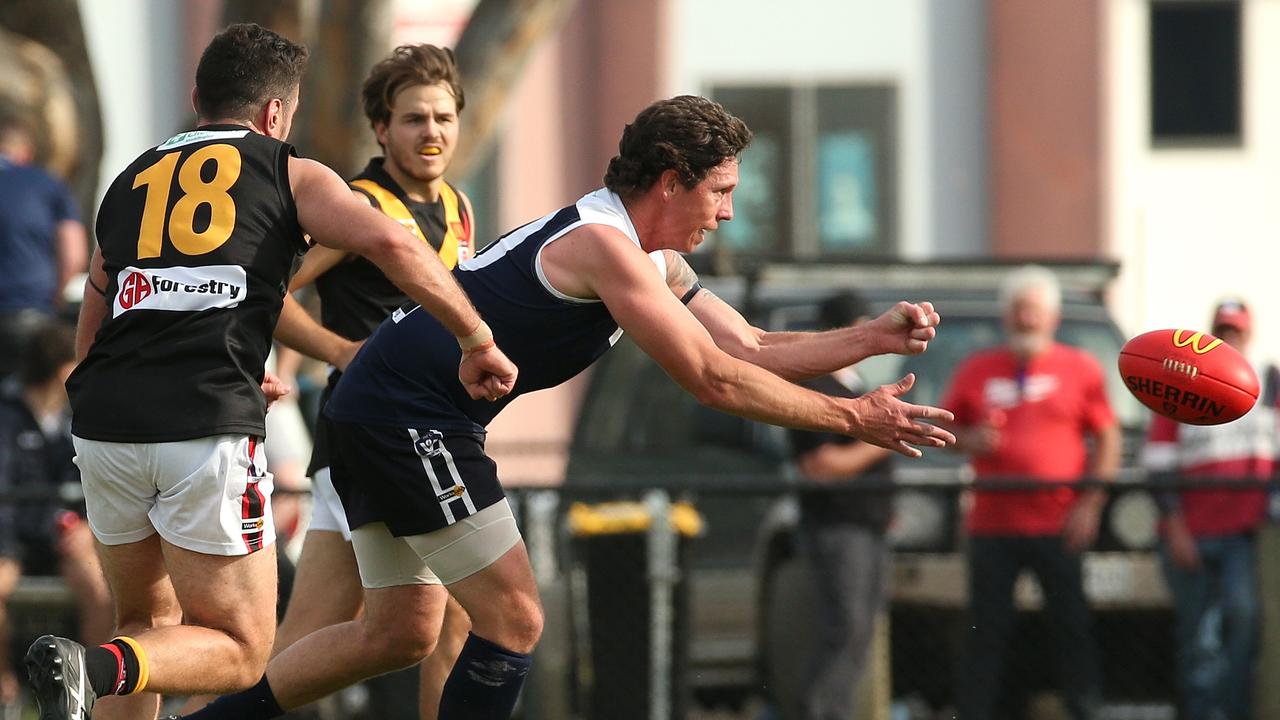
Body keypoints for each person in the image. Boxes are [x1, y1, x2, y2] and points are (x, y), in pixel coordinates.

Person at [180, 94, 956, 720]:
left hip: (382, 411)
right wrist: (854, 419)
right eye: (720, 191)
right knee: (515, 618)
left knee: (396, 634)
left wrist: (869, 338)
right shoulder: (602, 246)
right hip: (406, 418)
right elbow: (710, 380)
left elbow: (746, 346)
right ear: (670, 179)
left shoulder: (650, 256)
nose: (726, 213)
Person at [23, 23, 517, 720]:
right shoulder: (289, 169)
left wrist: (100, 387)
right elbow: (384, 241)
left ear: (199, 97)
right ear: (275, 113)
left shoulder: (132, 176)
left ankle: (96, 668)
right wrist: (476, 334)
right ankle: (87, 664)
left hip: (106, 422)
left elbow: (105, 302)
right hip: (204, 425)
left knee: (146, 628)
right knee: (241, 650)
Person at [219, 43, 478, 720]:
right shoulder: (358, 205)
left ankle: (210, 715)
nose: (432, 132)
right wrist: (340, 348)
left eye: (444, 117)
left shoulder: (457, 209)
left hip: (390, 440)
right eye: (415, 119)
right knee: (462, 614)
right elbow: (259, 291)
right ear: (382, 130)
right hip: (384, 438)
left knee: (304, 642)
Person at [943, 265, 1121, 720]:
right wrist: (970, 440)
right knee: (986, 632)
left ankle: (1084, 710)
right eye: (1019, 311)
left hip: (1058, 523)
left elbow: (1109, 438)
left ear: (1052, 318)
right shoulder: (977, 368)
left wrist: (1091, 503)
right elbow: (941, 428)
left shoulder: (1080, 367)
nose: (1027, 320)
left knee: (1072, 628)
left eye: (1035, 312)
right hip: (992, 526)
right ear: (1006, 316)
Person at [1142, 299, 1278, 720]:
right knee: (1200, 637)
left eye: (1236, 331)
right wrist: (1176, 527)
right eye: (1223, 330)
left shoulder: (1270, 383)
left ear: (1248, 334)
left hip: (1246, 532)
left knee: (1244, 624)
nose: (1229, 338)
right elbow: (1158, 466)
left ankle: (1236, 711)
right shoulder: (1181, 384)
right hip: (1194, 533)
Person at [785, 290, 895, 720]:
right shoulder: (817, 388)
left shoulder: (857, 387)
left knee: (864, 630)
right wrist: (883, 440)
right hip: (836, 526)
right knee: (845, 627)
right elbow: (821, 465)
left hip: (869, 524)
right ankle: (820, 711)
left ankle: (839, 711)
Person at [0, 321, 112, 707]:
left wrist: (84, 525)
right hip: (10, 540)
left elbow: (93, 483)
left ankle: (95, 689)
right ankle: (4, 684)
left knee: (100, 588)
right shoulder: (5, 414)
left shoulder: (79, 416)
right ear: (62, 368)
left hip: (63, 539)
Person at [0, 113, 88, 380]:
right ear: (26, 152)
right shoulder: (47, 184)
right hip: (31, 313)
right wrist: (55, 295)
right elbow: (74, 254)